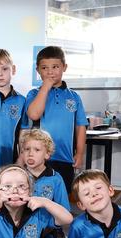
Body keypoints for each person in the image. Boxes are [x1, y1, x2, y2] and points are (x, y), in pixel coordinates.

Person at [26, 46, 88, 193]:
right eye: (44, 68)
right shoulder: (34, 94)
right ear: (38, 70)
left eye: (55, 67)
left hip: (65, 157)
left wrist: (79, 153)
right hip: (40, 158)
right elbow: (34, 114)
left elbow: (80, 127)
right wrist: (45, 88)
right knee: (38, 196)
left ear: (64, 67)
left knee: (62, 195)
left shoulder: (74, 97)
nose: (50, 72)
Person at [18, 128, 70, 238]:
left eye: (36, 150)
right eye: (26, 149)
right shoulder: (16, 176)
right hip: (20, 231)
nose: (30, 154)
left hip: (47, 231)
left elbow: (64, 211)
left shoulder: (55, 179)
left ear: (47, 154)